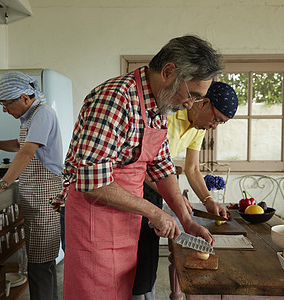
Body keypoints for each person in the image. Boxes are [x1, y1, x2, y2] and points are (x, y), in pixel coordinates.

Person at [61, 35, 224, 300]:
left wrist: (186, 219)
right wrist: (154, 212)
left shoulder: (157, 106)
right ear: (168, 72)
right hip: (94, 225)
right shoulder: (114, 99)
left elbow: (162, 167)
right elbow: (92, 180)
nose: (189, 105)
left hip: (125, 224)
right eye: (192, 95)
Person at [133, 81, 239, 299]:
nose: (215, 126)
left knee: (149, 252)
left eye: (221, 124)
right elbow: (141, 166)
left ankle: (145, 293)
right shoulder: (168, 115)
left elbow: (192, 169)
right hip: (135, 185)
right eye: (216, 119)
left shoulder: (198, 127)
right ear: (204, 103)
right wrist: (174, 196)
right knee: (135, 251)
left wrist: (208, 200)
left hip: (156, 187)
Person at [0, 71, 62, 300]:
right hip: (37, 196)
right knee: (44, 265)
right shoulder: (32, 115)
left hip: (44, 196)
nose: (4, 109)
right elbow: (21, 144)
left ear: (23, 98)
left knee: (40, 265)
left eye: (5, 103)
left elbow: (27, 153)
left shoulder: (42, 114)